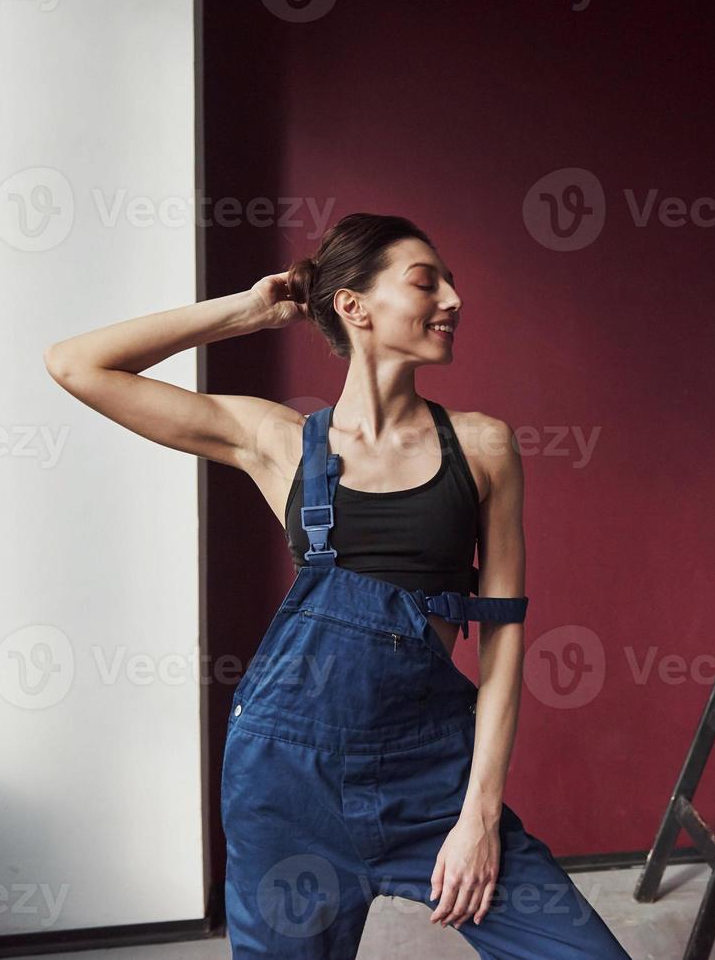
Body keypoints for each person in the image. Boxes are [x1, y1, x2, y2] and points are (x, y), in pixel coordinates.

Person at [43, 213, 632, 959]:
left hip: (429, 775)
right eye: (426, 281)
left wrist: (479, 813)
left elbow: (504, 636)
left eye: (449, 282)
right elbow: (75, 364)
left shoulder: (483, 446)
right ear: (354, 306)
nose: (452, 298)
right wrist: (251, 310)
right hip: (285, 786)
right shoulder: (278, 442)